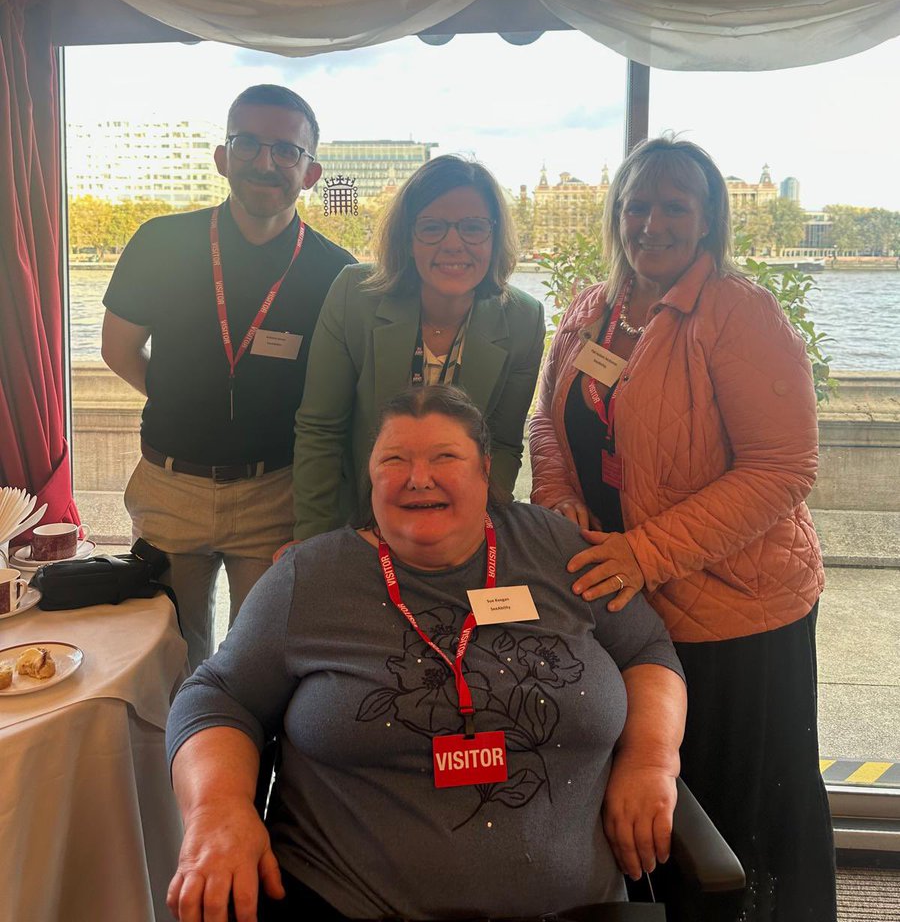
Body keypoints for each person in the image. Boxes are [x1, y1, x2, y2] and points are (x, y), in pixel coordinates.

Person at [166, 385, 686, 921]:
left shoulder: (556, 550)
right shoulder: (310, 578)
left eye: (445, 458)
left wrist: (651, 759)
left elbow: (646, 649)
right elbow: (218, 697)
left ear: (485, 470)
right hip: (348, 901)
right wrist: (216, 810)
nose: (419, 478)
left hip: (577, 907)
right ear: (370, 474)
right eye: (395, 459)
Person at [529, 136, 836, 922]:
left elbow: (783, 469)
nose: (651, 223)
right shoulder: (593, 308)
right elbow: (548, 425)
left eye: (674, 206)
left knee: (740, 810)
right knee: (648, 800)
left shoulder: (739, 312)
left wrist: (644, 553)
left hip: (737, 611)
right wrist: (562, 501)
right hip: (627, 607)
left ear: (707, 222)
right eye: (637, 205)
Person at [102, 84, 355, 670]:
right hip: (171, 488)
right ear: (223, 156)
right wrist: (183, 402)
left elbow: (341, 398)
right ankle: (173, 764)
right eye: (247, 144)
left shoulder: (337, 273)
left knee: (260, 664)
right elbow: (117, 349)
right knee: (168, 662)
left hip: (276, 493)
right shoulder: (161, 242)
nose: (265, 162)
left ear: (311, 171)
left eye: (285, 151)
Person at [291, 154, 545, 542]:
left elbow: (504, 445)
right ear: (407, 239)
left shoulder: (524, 320)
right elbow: (320, 431)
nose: (454, 244)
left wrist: (468, 532)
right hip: (355, 521)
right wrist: (314, 546)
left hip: (455, 529)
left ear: (494, 238)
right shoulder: (354, 295)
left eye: (474, 228)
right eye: (432, 227)